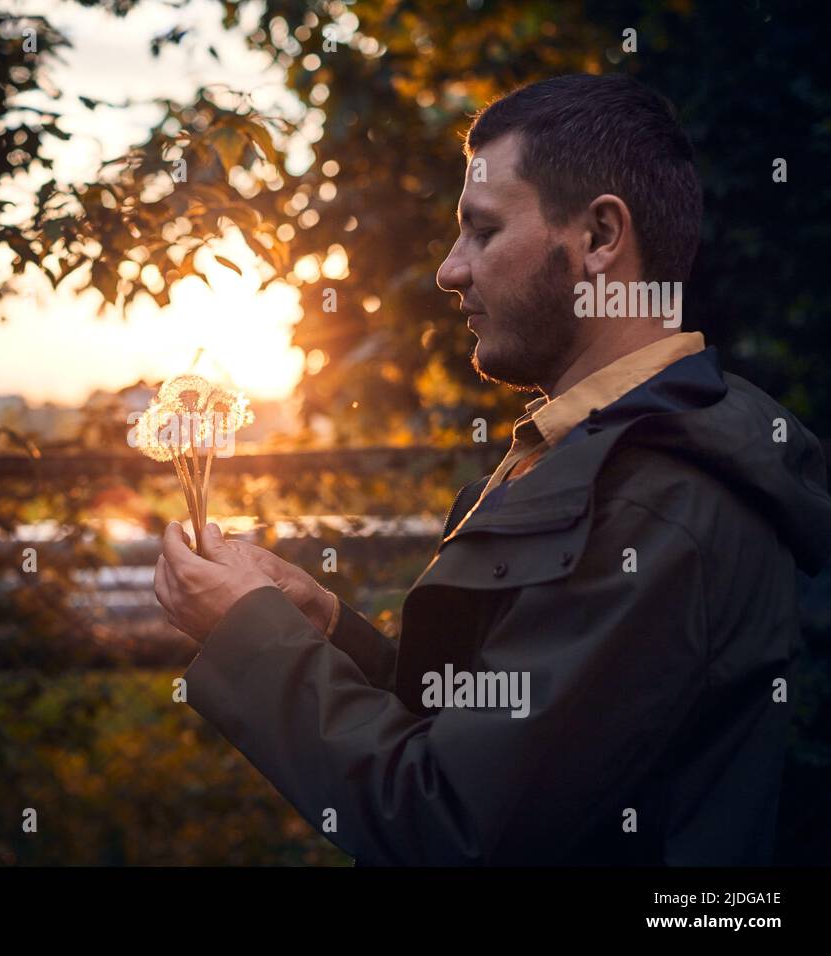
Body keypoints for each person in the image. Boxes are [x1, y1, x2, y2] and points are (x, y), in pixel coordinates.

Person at [153, 73, 831, 865]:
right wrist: (325, 630)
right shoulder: (575, 455)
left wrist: (248, 636)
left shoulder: (661, 502)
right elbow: (491, 735)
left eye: (481, 231)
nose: (450, 269)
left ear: (601, 238)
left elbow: (453, 828)